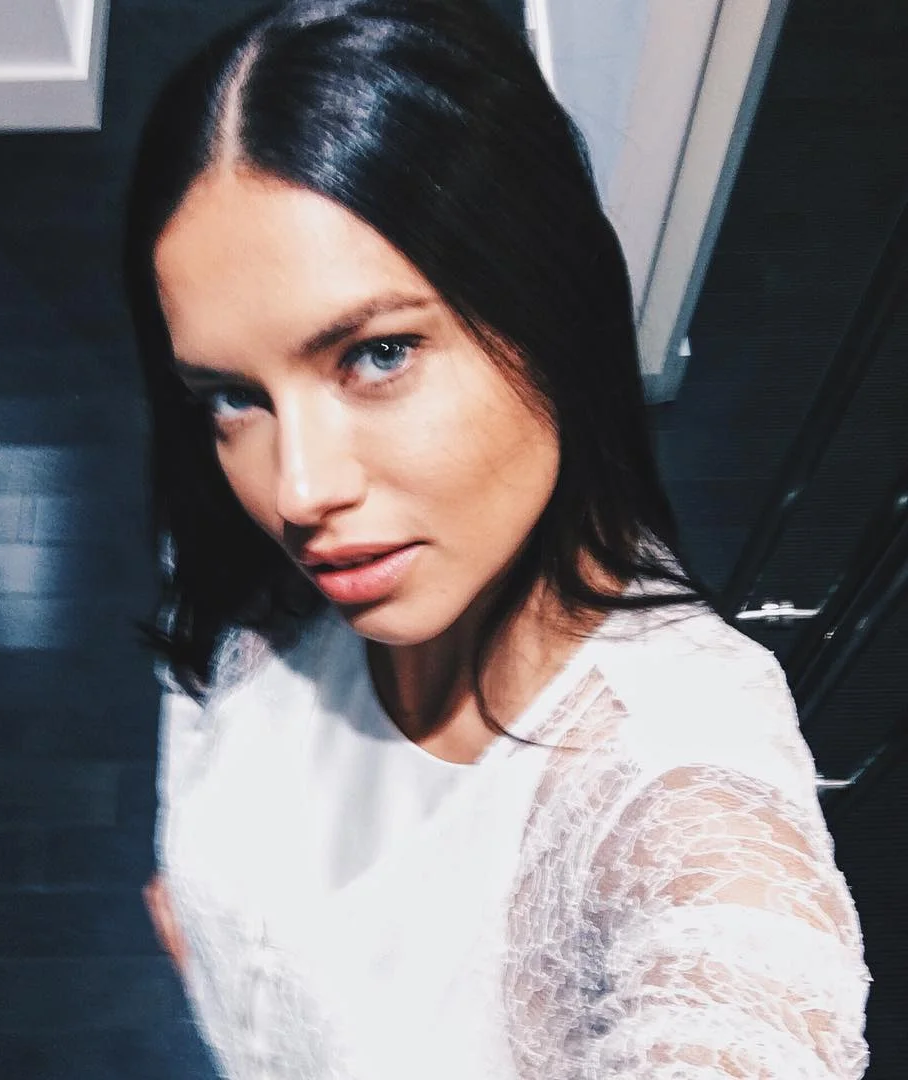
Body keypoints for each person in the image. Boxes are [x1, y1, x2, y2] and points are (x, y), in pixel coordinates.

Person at [126, 1, 871, 1076]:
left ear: (549, 305)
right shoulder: (249, 542)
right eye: (234, 394)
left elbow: (740, 985)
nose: (298, 490)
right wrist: (212, 915)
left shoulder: (673, 774)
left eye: (378, 354)